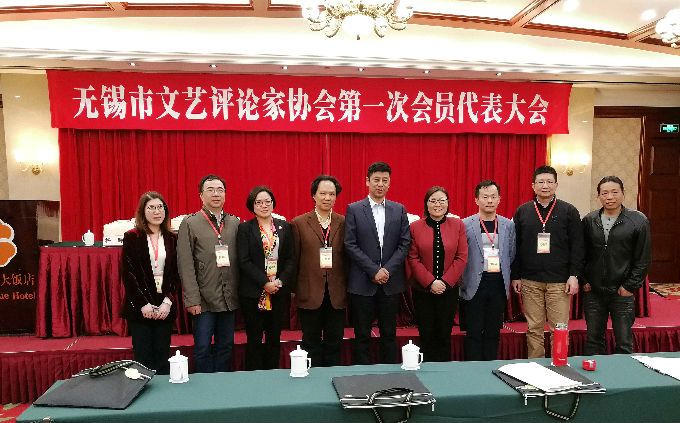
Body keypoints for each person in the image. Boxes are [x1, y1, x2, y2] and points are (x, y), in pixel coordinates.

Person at [510, 165, 584, 358]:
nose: (545, 186)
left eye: (549, 182)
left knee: (559, 328)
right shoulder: (523, 211)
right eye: (541, 182)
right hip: (530, 280)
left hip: (559, 281)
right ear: (533, 186)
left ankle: (559, 364)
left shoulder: (569, 211)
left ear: (556, 185)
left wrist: (574, 275)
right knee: (534, 327)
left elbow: (578, 246)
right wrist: (516, 275)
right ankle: (535, 365)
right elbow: (515, 246)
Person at [345, 161, 411, 364]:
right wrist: (374, 270)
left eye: (384, 180)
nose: (380, 184)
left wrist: (387, 270)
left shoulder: (399, 210)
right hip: (362, 281)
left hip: (390, 282)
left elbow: (405, 243)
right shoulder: (354, 209)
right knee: (362, 334)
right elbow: (350, 244)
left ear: (390, 183)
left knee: (389, 334)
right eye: (376, 180)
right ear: (367, 181)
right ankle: (362, 374)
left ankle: (389, 372)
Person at [178, 174, 240, 373]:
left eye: (220, 190)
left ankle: (222, 386)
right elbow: (185, 264)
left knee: (226, 347)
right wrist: (192, 299)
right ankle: (204, 387)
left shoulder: (235, 222)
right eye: (210, 190)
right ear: (201, 196)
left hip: (228, 298)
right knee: (203, 348)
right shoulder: (190, 223)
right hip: (203, 300)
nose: (216, 194)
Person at [582, 176, 651, 355]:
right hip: (594, 291)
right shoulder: (589, 220)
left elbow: (643, 258)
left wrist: (629, 286)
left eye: (614, 192)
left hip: (622, 291)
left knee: (624, 342)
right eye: (604, 193)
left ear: (623, 193)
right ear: (598, 196)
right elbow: (581, 254)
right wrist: (584, 281)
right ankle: (594, 372)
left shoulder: (638, 220)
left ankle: (623, 373)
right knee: (593, 340)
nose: (610, 197)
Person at [237, 186, 295, 370]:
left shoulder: (284, 227)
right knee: (254, 338)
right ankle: (254, 377)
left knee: (274, 337)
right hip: (253, 293)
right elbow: (244, 261)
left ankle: (273, 375)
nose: (264, 205)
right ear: (252, 206)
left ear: (273, 203)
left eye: (267, 201)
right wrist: (264, 283)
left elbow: (291, 258)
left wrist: (279, 281)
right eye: (259, 202)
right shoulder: (245, 228)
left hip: (278, 291)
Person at [407, 186, 467, 362]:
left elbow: (461, 256)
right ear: (426, 204)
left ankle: (443, 371)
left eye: (441, 200)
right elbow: (413, 258)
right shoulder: (415, 227)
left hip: (449, 291)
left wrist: (445, 282)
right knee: (426, 334)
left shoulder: (457, 225)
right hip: (423, 291)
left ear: (448, 203)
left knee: (444, 334)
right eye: (433, 201)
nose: (437, 204)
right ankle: (425, 370)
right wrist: (431, 282)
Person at [292, 175, 347, 367]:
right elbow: (294, 259)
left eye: (332, 194)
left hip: (336, 293)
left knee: (335, 342)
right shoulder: (298, 223)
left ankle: (332, 377)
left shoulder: (344, 222)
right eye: (323, 193)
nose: (327, 198)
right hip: (309, 292)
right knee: (310, 342)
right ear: (313, 195)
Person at [122, 191, 178, 374]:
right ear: (143, 212)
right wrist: (143, 304)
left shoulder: (172, 238)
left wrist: (168, 302)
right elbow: (128, 274)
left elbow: (176, 274)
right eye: (151, 207)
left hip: (164, 306)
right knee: (143, 358)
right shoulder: (132, 237)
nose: (157, 211)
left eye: (160, 207)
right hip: (141, 307)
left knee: (162, 358)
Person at [461, 180, 516, 361]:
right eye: (485, 197)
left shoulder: (508, 225)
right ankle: (473, 369)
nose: (489, 201)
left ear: (499, 199)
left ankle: (489, 367)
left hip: (498, 283)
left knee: (493, 332)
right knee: (473, 332)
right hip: (474, 283)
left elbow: (511, 253)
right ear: (476, 200)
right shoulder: (465, 224)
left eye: (493, 197)